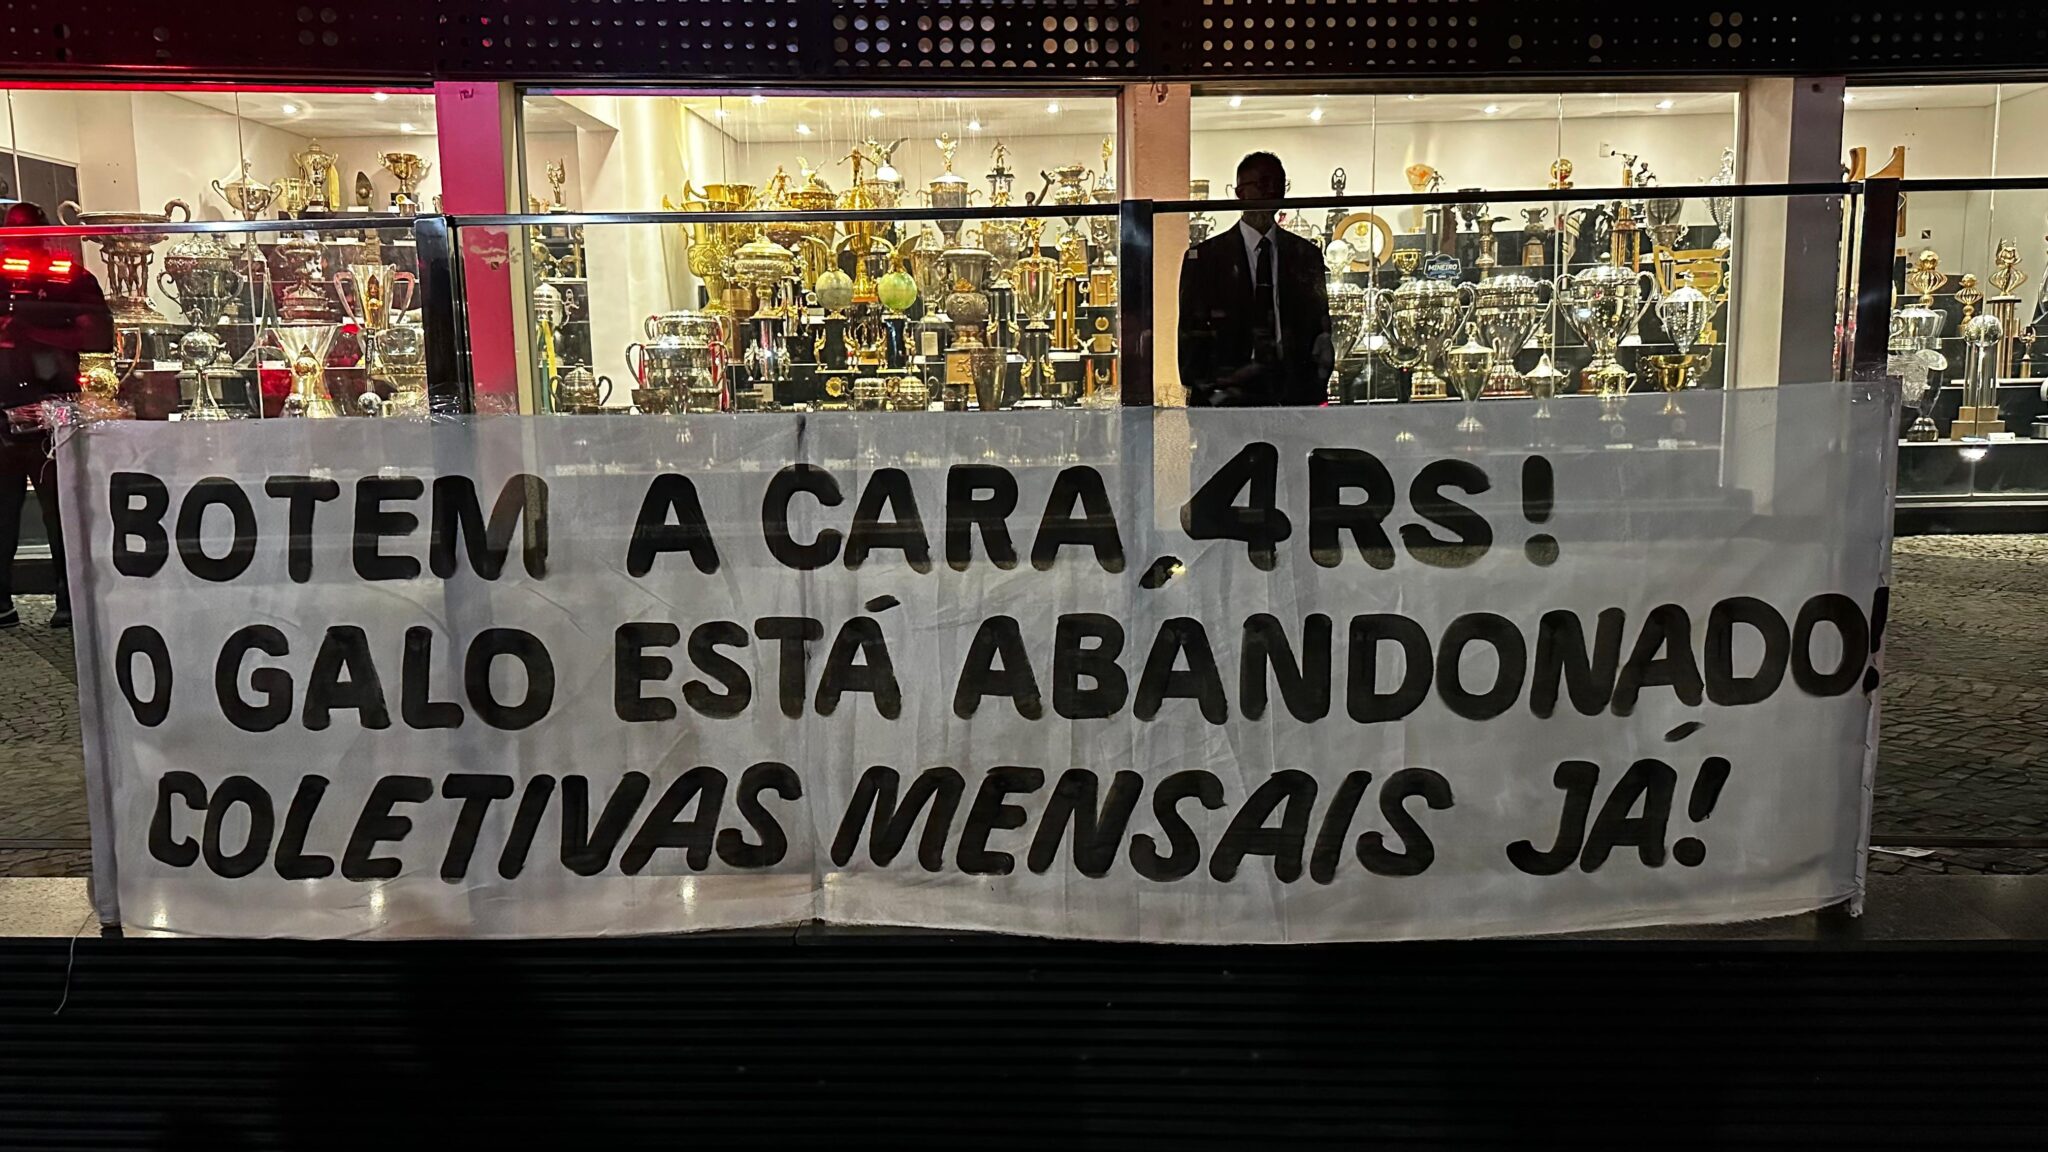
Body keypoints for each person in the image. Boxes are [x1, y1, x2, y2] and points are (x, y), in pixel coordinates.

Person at [0, 201, 114, 629]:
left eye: (26, 237)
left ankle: (71, 598)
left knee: (64, 511)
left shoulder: (68, 277)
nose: (19, 248)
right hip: (5, 407)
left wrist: (31, 331)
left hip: (53, 408)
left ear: (44, 236)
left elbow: (100, 335)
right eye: (12, 237)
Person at [1177, 152, 1334, 406]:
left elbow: (1319, 327)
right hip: (1227, 396)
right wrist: (1204, 392)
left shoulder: (1305, 255)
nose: (1271, 191)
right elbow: (1190, 335)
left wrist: (1315, 385)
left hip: (1293, 394)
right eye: (1262, 183)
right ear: (1240, 192)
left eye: (1278, 184)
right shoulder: (1206, 258)